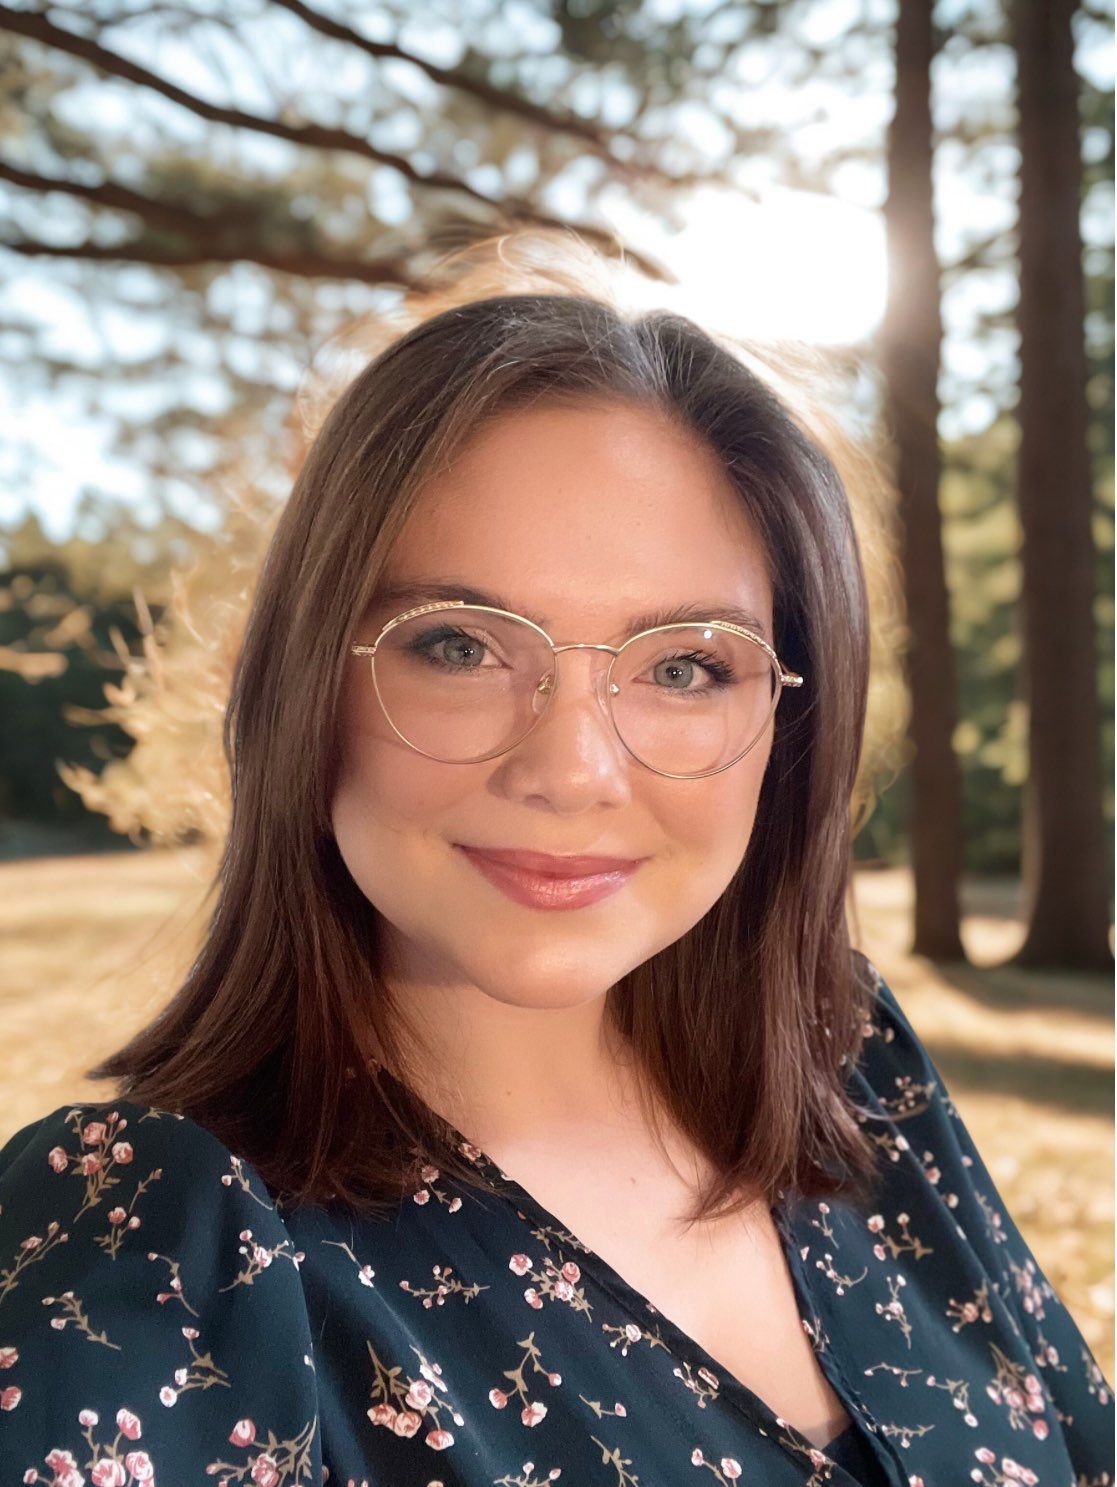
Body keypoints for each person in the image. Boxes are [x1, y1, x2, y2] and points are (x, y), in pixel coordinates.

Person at [2, 235, 1111, 1487]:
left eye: (686, 665)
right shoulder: (150, 1242)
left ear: (785, 724)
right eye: (460, 645)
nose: (574, 767)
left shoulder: (847, 1059)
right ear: (305, 683)